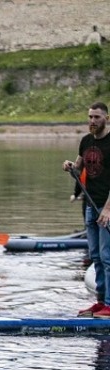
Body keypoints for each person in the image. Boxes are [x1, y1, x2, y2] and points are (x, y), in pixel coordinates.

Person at [65, 102, 110, 316]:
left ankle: (109, 304)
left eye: (97, 117)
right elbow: (79, 168)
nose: (93, 121)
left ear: (106, 118)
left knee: (107, 255)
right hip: (91, 207)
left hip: (107, 207)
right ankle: (101, 302)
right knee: (95, 256)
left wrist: (108, 210)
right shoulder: (85, 141)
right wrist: (70, 167)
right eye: (90, 117)